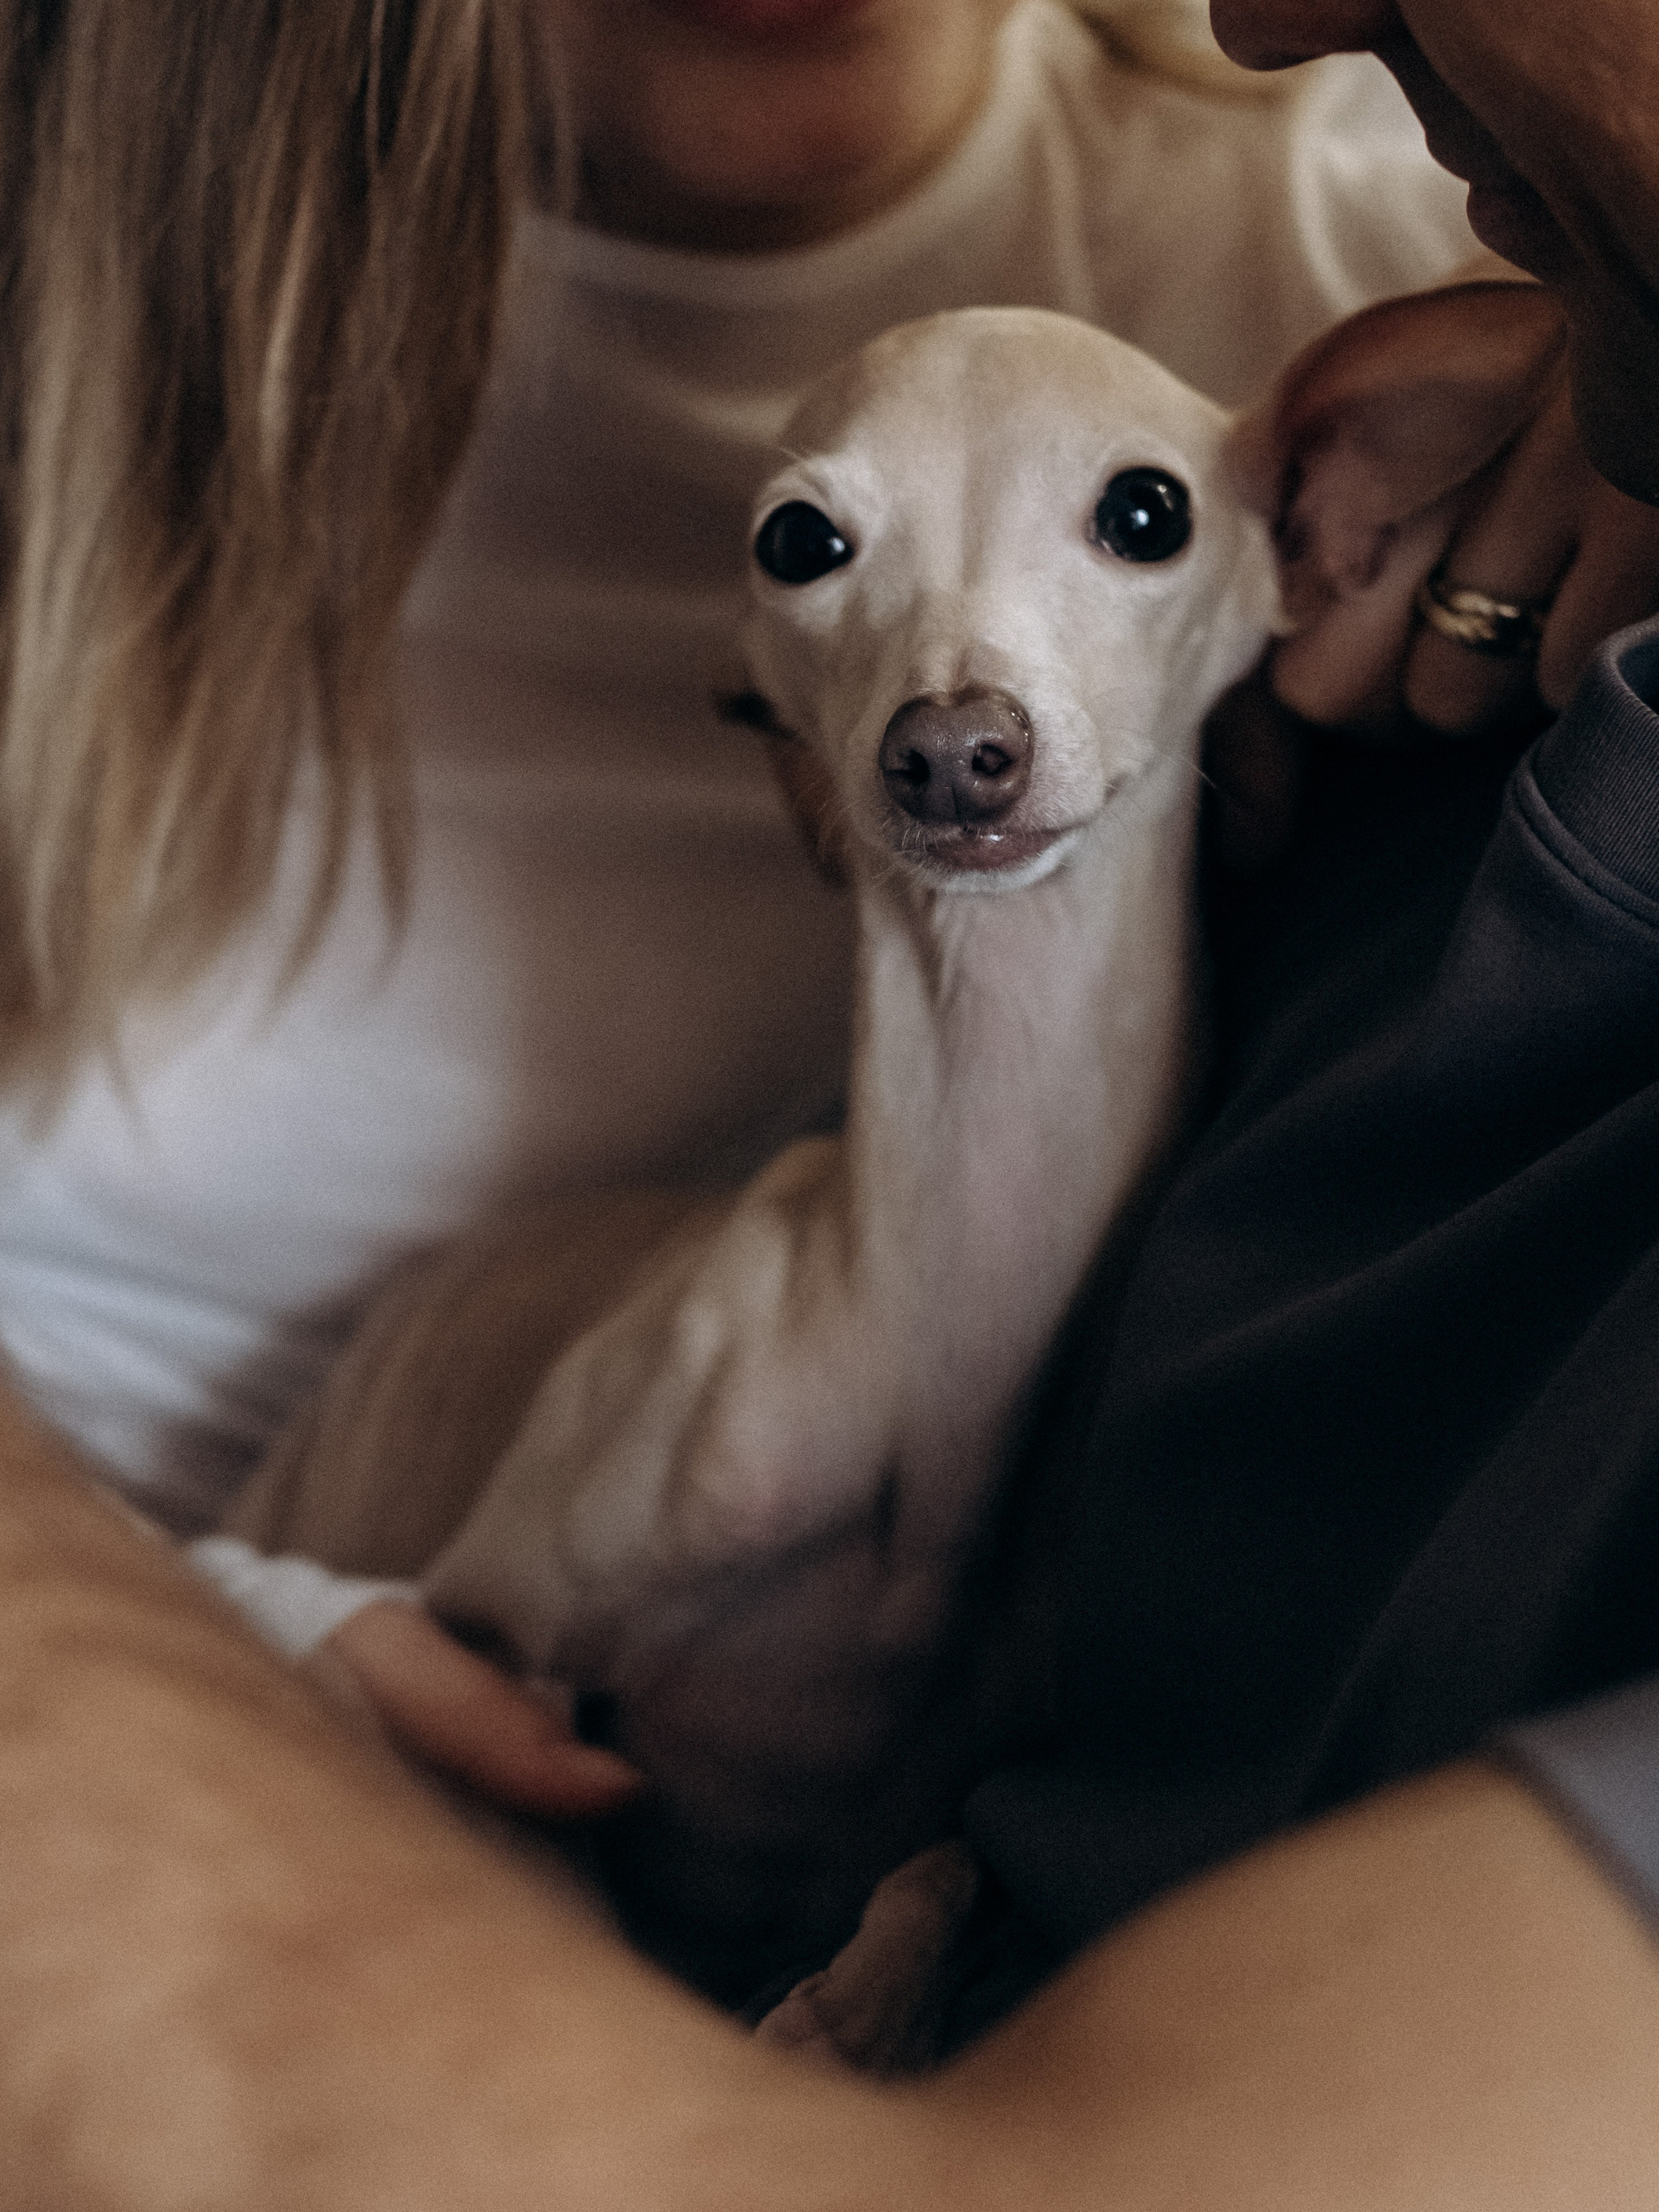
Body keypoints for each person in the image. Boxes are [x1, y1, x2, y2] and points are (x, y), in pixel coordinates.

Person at [3, 5, 1657, 2207]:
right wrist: (215, 1619)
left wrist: (1622, 336)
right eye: (809, 555)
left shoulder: (1448, 265)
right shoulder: (74, 284)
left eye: (1135, 524)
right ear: (764, 681)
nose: (956, 709)